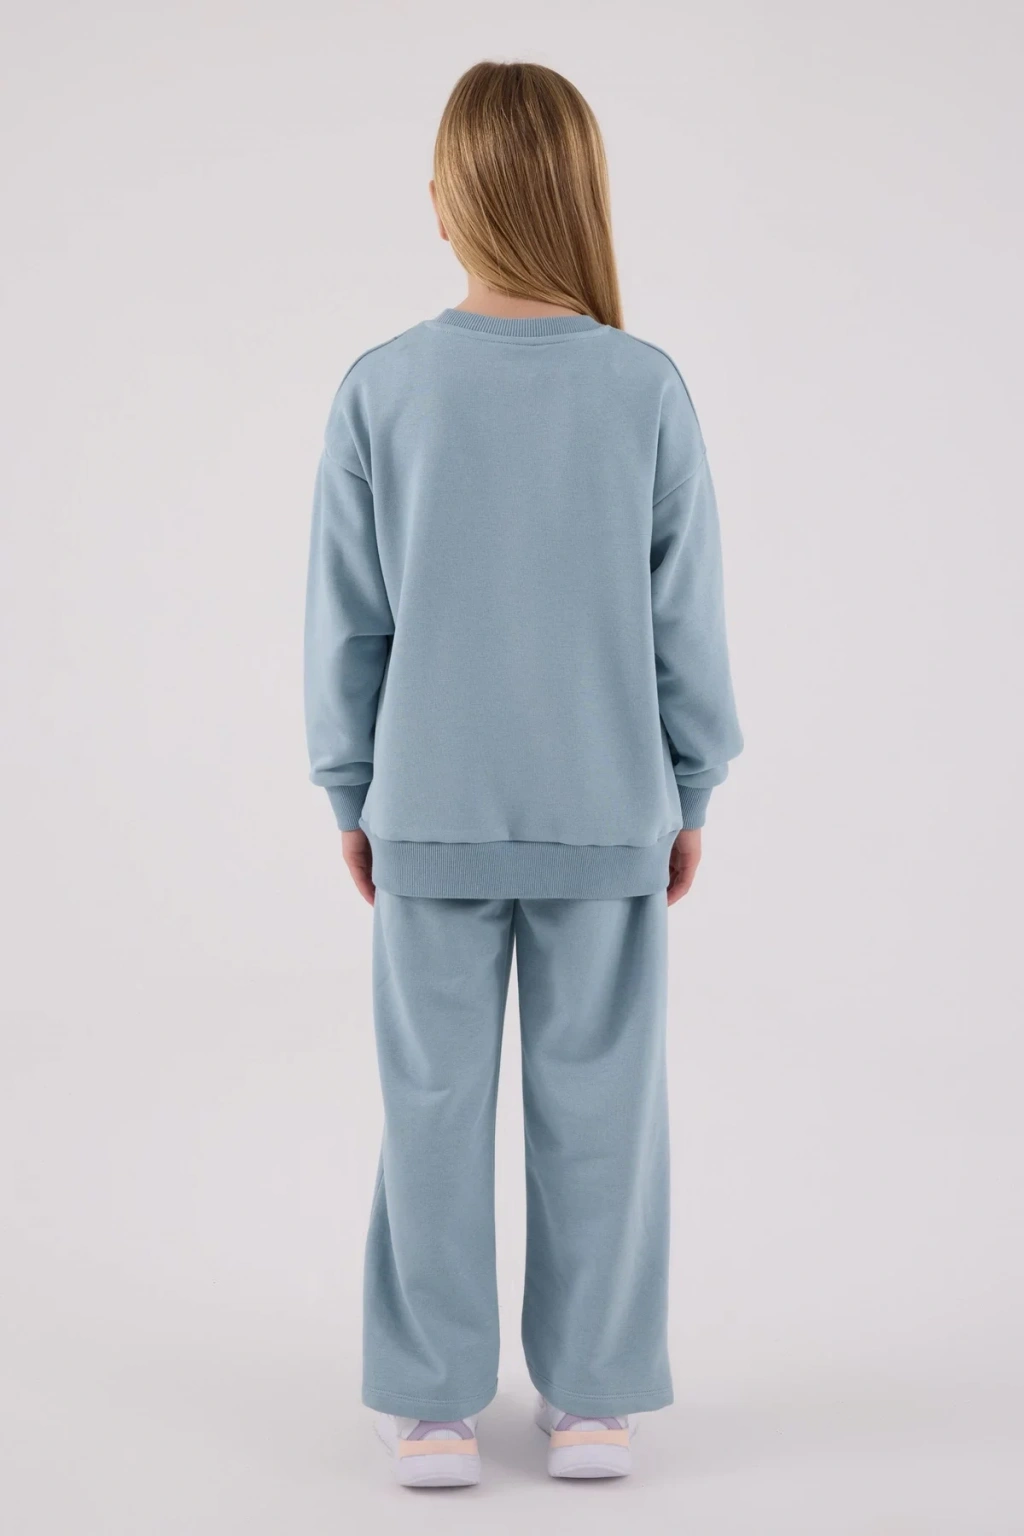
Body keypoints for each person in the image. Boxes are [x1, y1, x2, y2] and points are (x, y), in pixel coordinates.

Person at [303, 59, 742, 1488]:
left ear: (448, 204)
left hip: (427, 812)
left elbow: (349, 621)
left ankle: (432, 1407)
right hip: (608, 813)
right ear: (579, 196)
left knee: (430, 1111)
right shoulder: (644, 388)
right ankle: (593, 1402)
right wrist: (691, 785)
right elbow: (685, 621)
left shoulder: (382, 388)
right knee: (603, 1110)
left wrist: (350, 788)